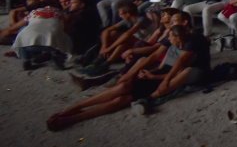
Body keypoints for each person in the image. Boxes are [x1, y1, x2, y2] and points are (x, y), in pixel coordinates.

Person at [47, 24, 211, 131]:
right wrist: (141, 72)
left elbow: (180, 66)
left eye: (173, 39)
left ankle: (75, 118)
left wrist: (157, 78)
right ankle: (72, 108)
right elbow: (156, 57)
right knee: (122, 88)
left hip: (165, 77)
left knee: (121, 101)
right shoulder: (173, 42)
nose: (171, 42)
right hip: (158, 76)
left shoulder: (191, 44)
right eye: (171, 39)